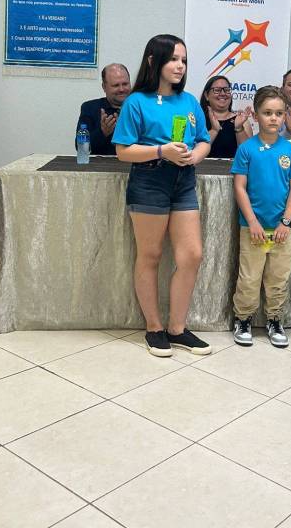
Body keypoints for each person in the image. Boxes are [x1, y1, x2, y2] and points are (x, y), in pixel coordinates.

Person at [113, 34, 212, 358]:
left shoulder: (189, 101)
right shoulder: (136, 102)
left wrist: (196, 155)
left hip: (183, 180)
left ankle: (177, 328)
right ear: (154, 61)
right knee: (151, 255)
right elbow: (123, 151)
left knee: (191, 254)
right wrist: (161, 151)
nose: (180, 66)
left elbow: (203, 139)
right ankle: (154, 328)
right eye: (173, 59)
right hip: (150, 180)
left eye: (183, 60)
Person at [231, 86, 291, 348]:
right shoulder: (246, 149)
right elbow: (240, 187)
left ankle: (274, 319)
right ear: (256, 115)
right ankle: (243, 319)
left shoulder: (290, 150)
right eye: (267, 113)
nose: (273, 118)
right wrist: (252, 221)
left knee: (278, 278)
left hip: (282, 229)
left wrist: (286, 221)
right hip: (253, 228)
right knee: (249, 278)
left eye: (279, 113)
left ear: (285, 116)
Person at [76, 63, 131, 155]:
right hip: (100, 163)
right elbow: (81, 148)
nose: (121, 89)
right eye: (116, 85)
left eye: (125, 84)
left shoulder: (141, 108)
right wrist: (102, 133)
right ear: (104, 87)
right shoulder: (90, 108)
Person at [200, 75, 253, 158]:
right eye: (217, 90)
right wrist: (214, 130)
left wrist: (239, 128)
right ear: (206, 95)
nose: (223, 93)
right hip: (202, 167)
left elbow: (248, 156)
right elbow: (194, 151)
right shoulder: (198, 120)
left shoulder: (242, 121)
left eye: (227, 90)